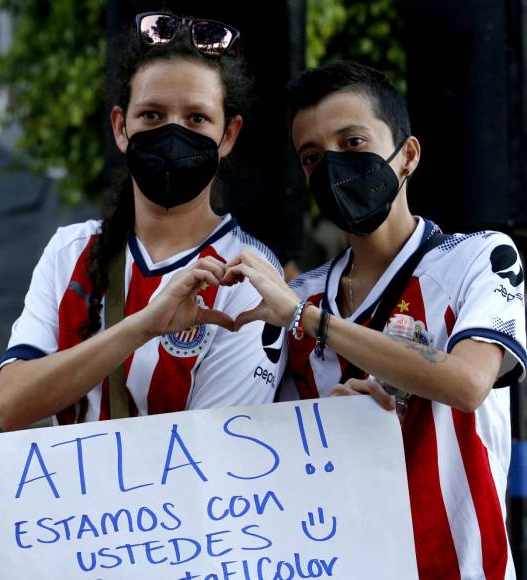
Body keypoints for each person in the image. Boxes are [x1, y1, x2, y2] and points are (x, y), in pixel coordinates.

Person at [225, 61, 526, 579]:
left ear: (407, 155)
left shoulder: (481, 258)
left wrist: (311, 320)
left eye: (354, 144)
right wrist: (326, 430)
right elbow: (266, 464)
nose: (334, 169)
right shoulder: (295, 297)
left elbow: (468, 382)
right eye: (313, 158)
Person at [0, 12, 286, 431]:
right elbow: (11, 404)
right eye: (151, 114)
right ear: (120, 126)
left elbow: (216, 455)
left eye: (196, 119)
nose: (172, 132)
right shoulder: (70, 251)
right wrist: (143, 327)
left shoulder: (249, 276)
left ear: (228, 136)